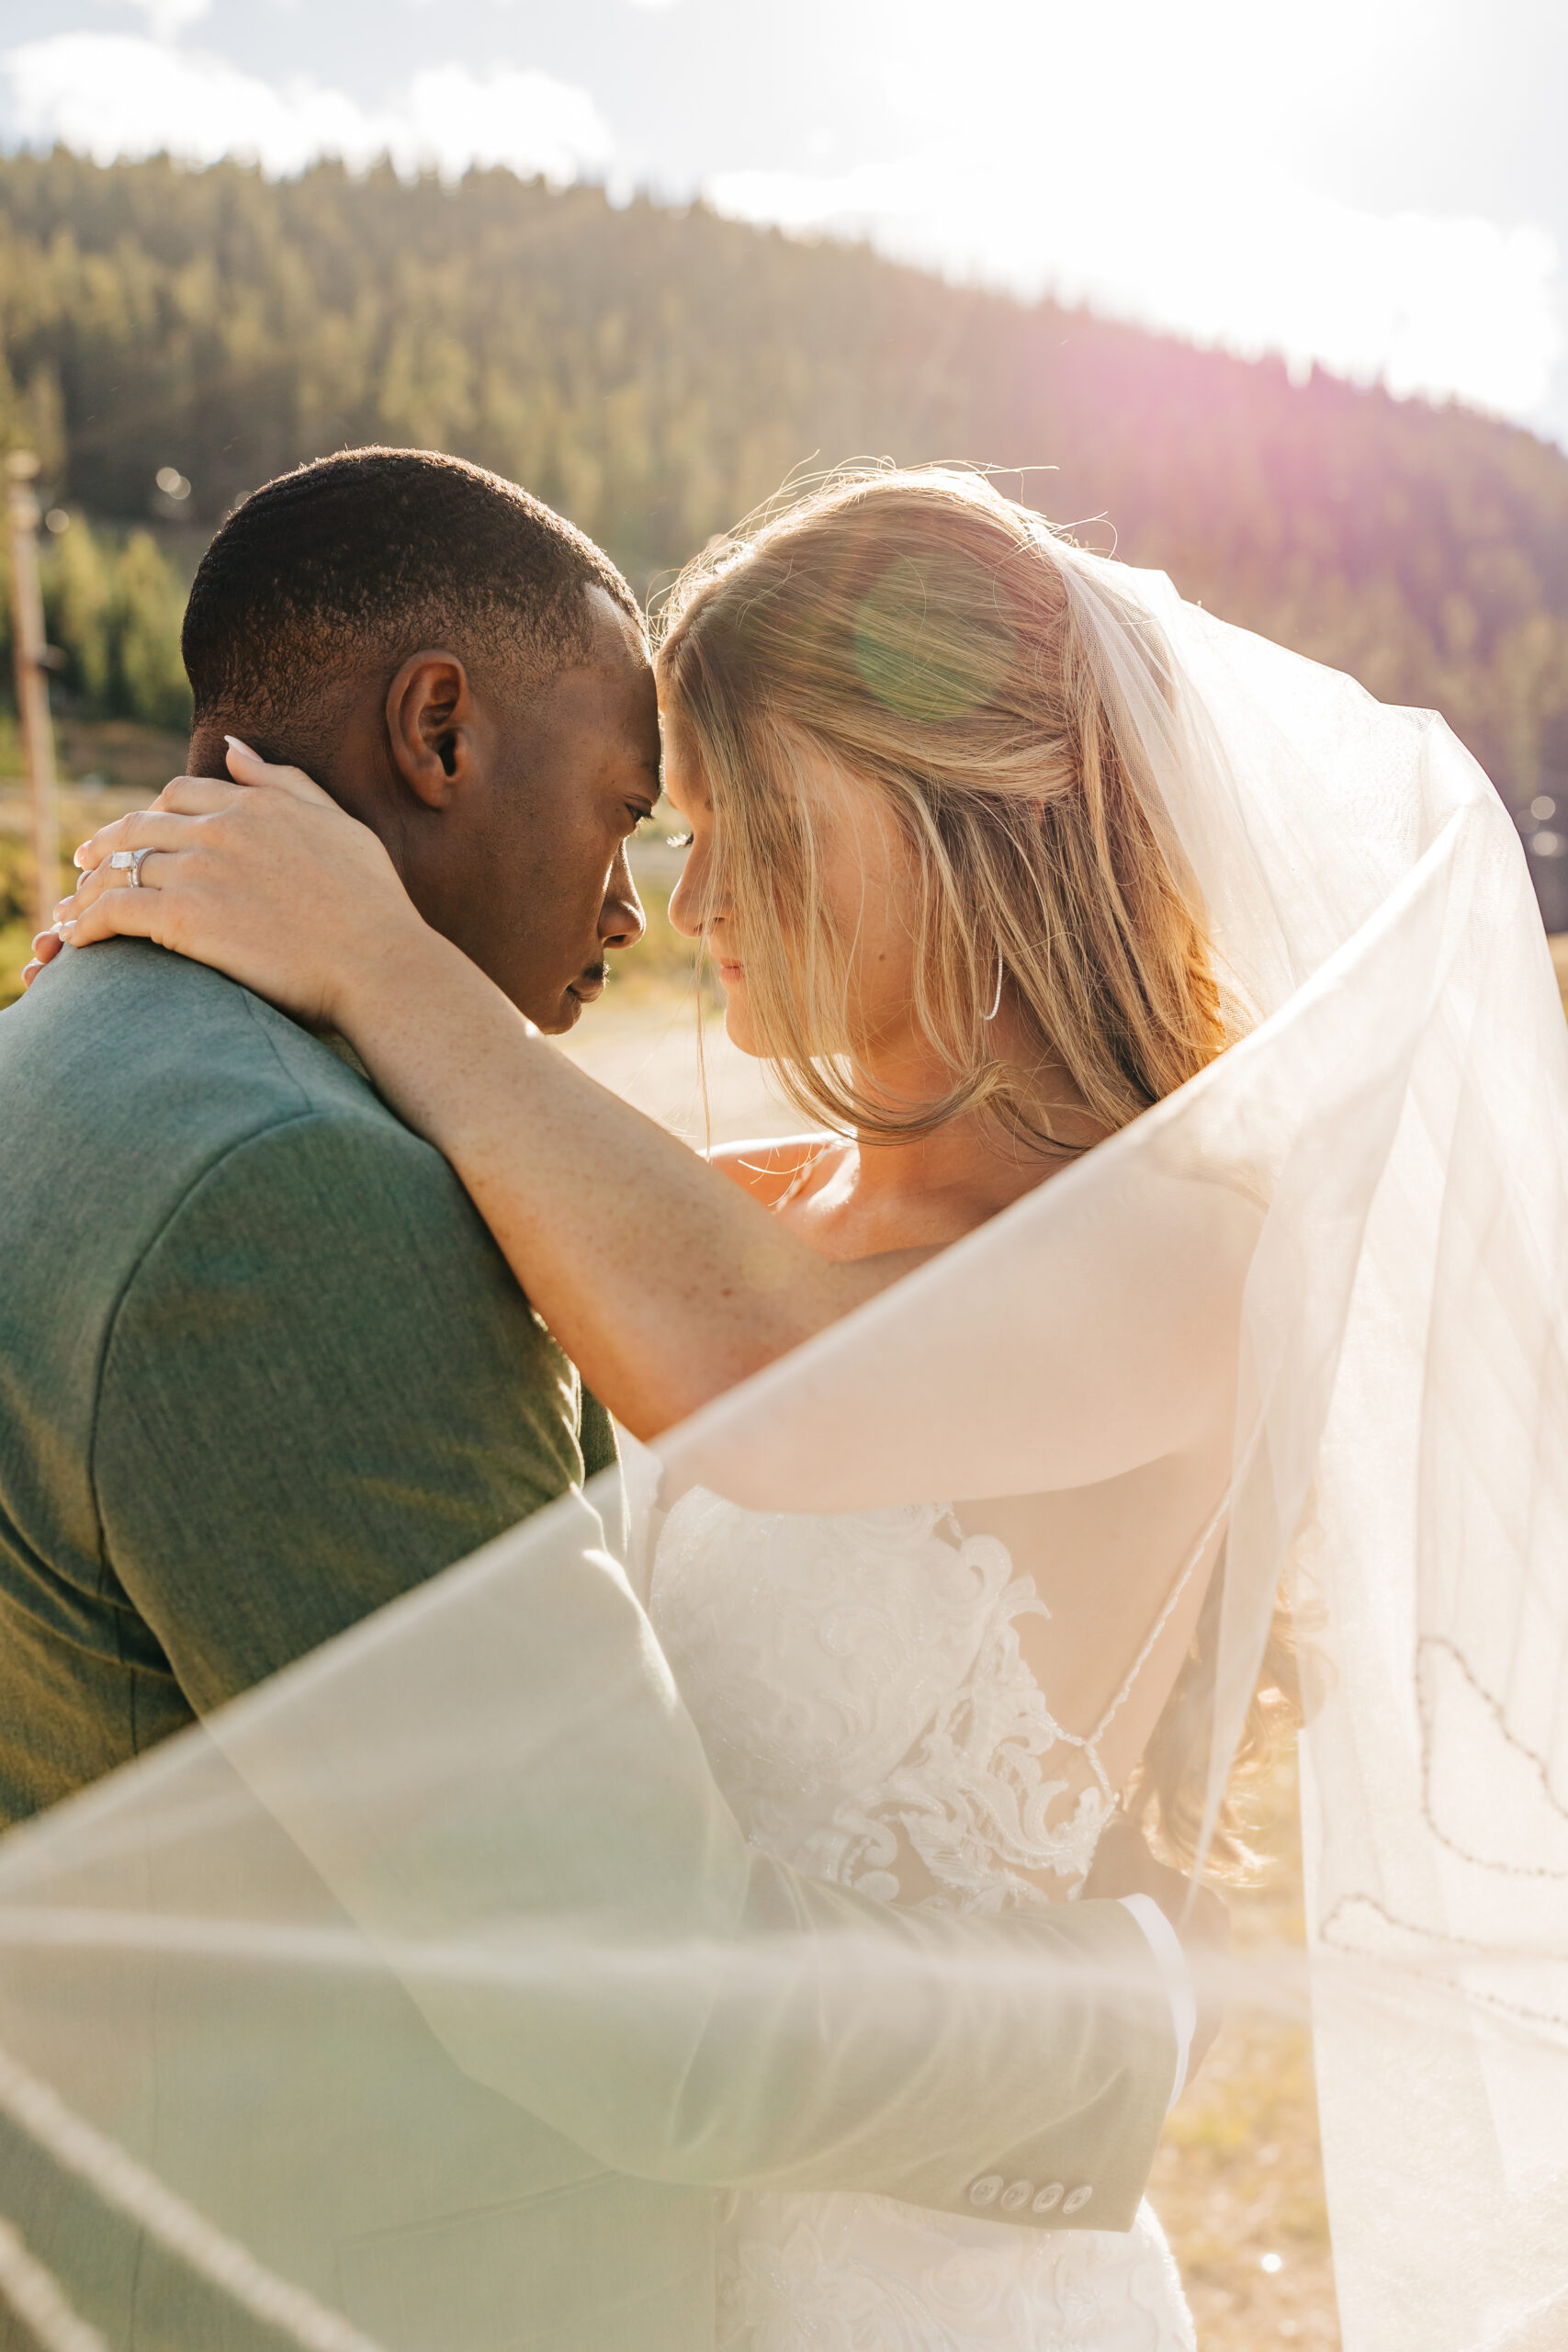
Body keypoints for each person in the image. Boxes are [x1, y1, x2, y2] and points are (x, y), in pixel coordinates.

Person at [35, 466, 1270, 2350]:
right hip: (667, 2226)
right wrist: (197, 944)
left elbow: (761, 1384)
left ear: (962, 815)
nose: (684, 902)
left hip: (911, 2271)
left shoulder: (1181, 1247)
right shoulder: (789, 1199)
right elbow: (483, 1229)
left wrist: (368, 952)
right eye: (661, 821)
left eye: (748, 820)